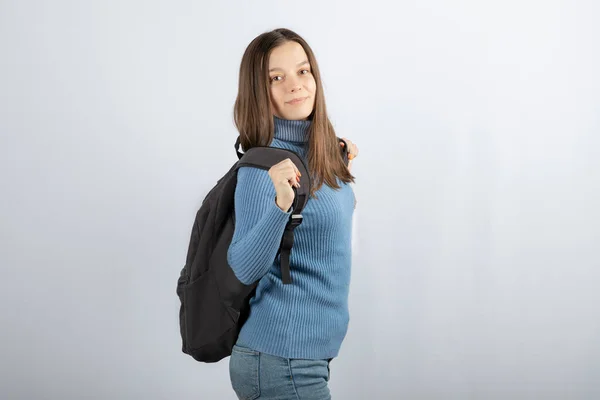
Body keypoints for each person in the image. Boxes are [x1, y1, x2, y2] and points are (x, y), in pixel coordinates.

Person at [227, 28, 359, 400]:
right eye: (276, 78)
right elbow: (243, 267)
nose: (295, 86)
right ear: (259, 91)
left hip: (307, 356)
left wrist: (339, 165)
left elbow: (329, 236)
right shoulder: (261, 168)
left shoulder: (323, 153)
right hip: (280, 358)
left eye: (303, 71)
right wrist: (279, 207)